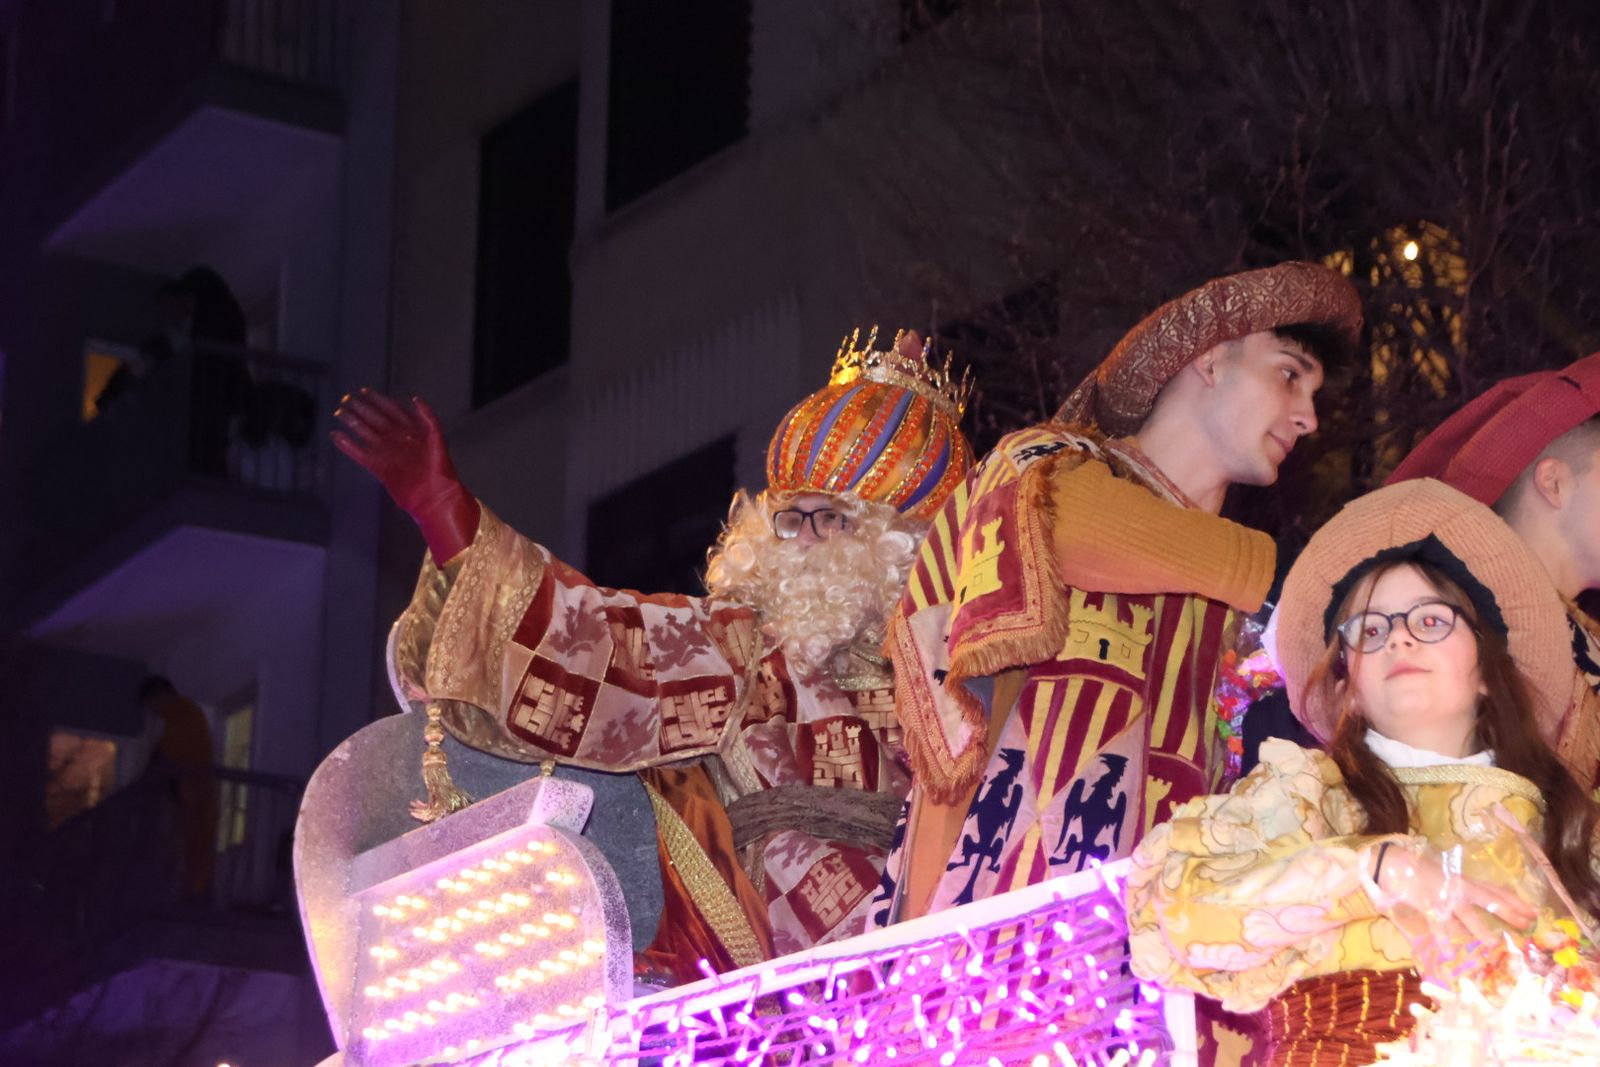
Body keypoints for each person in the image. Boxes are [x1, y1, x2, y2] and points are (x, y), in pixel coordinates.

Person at [332, 328, 974, 983]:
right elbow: (608, 648)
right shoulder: (749, 646)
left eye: (831, 519)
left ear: (902, 543)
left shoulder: (968, 682)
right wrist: (446, 513)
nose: (802, 540)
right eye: (790, 516)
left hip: (933, 973)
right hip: (766, 985)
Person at [880, 261, 1362, 926]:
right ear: (1210, 359)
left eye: (1314, 394)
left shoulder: (1235, 616)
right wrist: (1278, 576)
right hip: (994, 940)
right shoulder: (1040, 467)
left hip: (1154, 955)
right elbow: (1062, 523)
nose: (1308, 417)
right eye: (1288, 373)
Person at [1127, 479, 1600, 1065]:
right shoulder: (1306, 797)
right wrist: (1373, 869)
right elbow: (1177, 913)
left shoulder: (1571, 831)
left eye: (1431, 621)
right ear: (1347, 689)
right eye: (1371, 631)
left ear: (1485, 671)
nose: (1398, 635)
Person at [1243, 351, 1600, 785]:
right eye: (1430, 621)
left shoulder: (1585, 643)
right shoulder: (1391, 622)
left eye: (1430, 622)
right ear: (1554, 483)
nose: (1403, 638)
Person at [140, 675, 218, 899]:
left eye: (152, 704)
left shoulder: (186, 714)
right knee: (190, 849)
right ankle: (189, 893)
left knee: (194, 848)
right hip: (187, 795)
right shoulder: (178, 719)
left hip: (193, 796)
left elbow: (168, 755)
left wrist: (151, 775)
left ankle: (193, 896)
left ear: (162, 696)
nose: (153, 712)